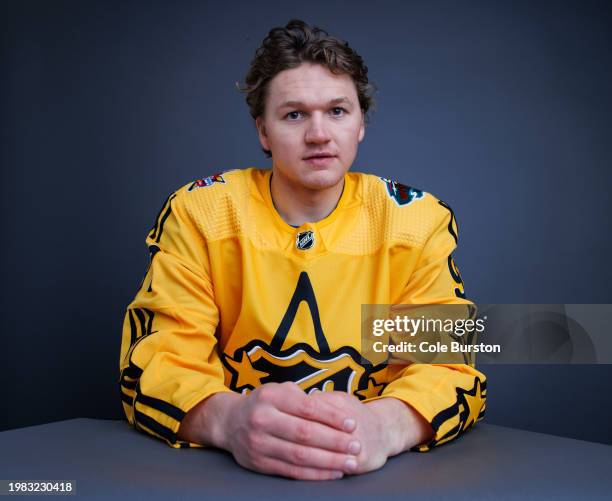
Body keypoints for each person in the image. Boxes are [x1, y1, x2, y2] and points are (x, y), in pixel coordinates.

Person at [119, 19, 486, 481]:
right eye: (294, 115)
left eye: (337, 111)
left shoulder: (412, 221)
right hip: (226, 480)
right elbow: (157, 360)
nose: (318, 134)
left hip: (379, 480)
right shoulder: (201, 213)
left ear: (360, 125)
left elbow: (449, 369)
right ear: (263, 132)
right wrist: (229, 422)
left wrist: (382, 427)